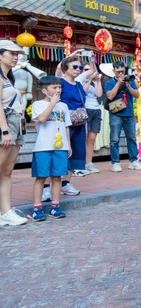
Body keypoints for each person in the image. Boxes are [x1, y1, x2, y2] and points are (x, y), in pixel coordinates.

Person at [30, 76, 72, 221]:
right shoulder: (38, 104)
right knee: (41, 177)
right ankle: (37, 208)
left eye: (59, 87)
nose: (58, 90)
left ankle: (55, 206)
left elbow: (66, 126)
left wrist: (68, 145)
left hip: (60, 147)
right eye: (54, 88)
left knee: (57, 177)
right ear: (44, 90)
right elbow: (41, 119)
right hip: (43, 147)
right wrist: (52, 103)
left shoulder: (64, 106)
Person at [0, 40, 28, 226]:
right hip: (6, 125)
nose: (15, 57)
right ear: (0, 55)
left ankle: (6, 212)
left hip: (17, 124)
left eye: (17, 54)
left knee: (7, 171)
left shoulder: (10, 77)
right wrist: (4, 131)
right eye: (11, 53)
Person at [56, 54, 89, 195]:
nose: (78, 69)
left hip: (79, 122)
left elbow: (82, 103)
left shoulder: (79, 84)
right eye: (74, 66)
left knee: (76, 152)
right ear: (65, 68)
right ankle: (49, 186)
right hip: (64, 122)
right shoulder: (60, 82)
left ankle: (66, 183)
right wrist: (70, 55)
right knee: (62, 152)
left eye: (80, 68)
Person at [104, 61, 141, 172]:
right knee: (114, 139)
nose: (121, 73)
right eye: (118, 71)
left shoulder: (130, 80)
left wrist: (128, 85)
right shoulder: (109, 82)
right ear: (113, 71)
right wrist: (118, 83)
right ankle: (115, 163)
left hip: (129, 113)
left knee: (131, 138)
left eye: (122, 71)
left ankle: (134, 161)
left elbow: (137, 95)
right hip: (116, 114)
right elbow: (110, 96)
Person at [74, 54, 102, 176]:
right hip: (84, 110)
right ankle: (79, 164)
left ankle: (89, 163)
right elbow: (82, 92)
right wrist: (89, 78)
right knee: (82, 138)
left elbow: (99, 94)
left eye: (88, 70)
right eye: (85, 70)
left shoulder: (93, 82)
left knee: (91, 139)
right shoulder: (79, 81)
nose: (87, 72)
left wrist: (97, 82)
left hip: (95, 109)